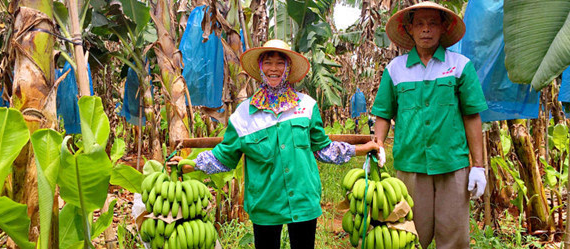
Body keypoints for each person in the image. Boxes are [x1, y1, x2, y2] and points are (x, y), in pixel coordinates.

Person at [174, 39, 381, 249]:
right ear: (261, 68)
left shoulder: (307, 107)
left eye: (280, 63)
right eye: (268, 62)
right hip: (265, 204)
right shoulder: (244, 115)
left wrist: (361, 149)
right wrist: (189, 164)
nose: (274, 68)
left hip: (303, 199)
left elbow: (322, 148)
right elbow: (224, 157)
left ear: (288, 68)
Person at [371, 2, 488, 249]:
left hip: (452, 165)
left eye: (433, 23)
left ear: (443, 28)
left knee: (454, 238)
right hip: (410, 165)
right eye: (420, 24)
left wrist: (478, 166)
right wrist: (378, 146)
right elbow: (383, 113)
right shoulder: (395, 69)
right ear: (410, 29)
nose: (426, 29)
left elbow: (471, 116)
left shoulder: (460, 65)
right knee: (410, 234)